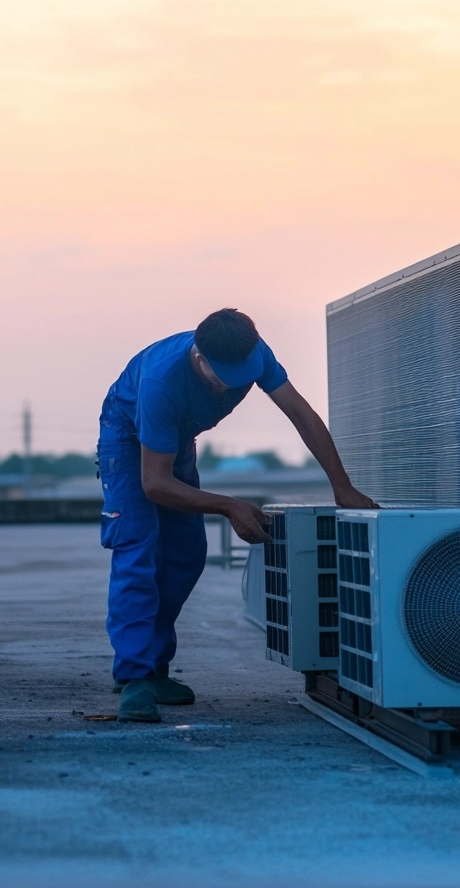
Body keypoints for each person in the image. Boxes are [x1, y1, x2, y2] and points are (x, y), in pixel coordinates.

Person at [97, 308, 376, 722]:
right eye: (224, 378)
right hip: (129, 439)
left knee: (186, 553)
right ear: (199, 357)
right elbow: (154, 484)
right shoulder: (160, 383)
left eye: (243, 377)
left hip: (176, 438)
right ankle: (135, 678)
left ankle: (153, 666)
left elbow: (301, 414)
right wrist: (228, 505)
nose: (233, 387)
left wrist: (342, 485)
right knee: (139, 551)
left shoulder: (255, 352)